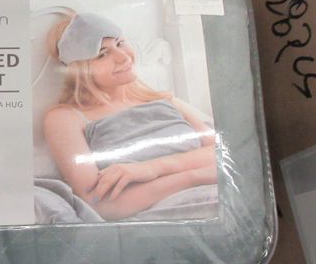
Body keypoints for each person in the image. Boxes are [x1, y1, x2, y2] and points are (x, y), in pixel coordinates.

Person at [43, 12, 218, 221]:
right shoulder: (66, 118)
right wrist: (196, 176)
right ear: (80, 69)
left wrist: (151, 168)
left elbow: (221, 153)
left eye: (120, 43)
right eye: (102, 54)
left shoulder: (166, 100)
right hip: (179, 211)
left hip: (219, 193)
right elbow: (99, 204)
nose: (124, 57)